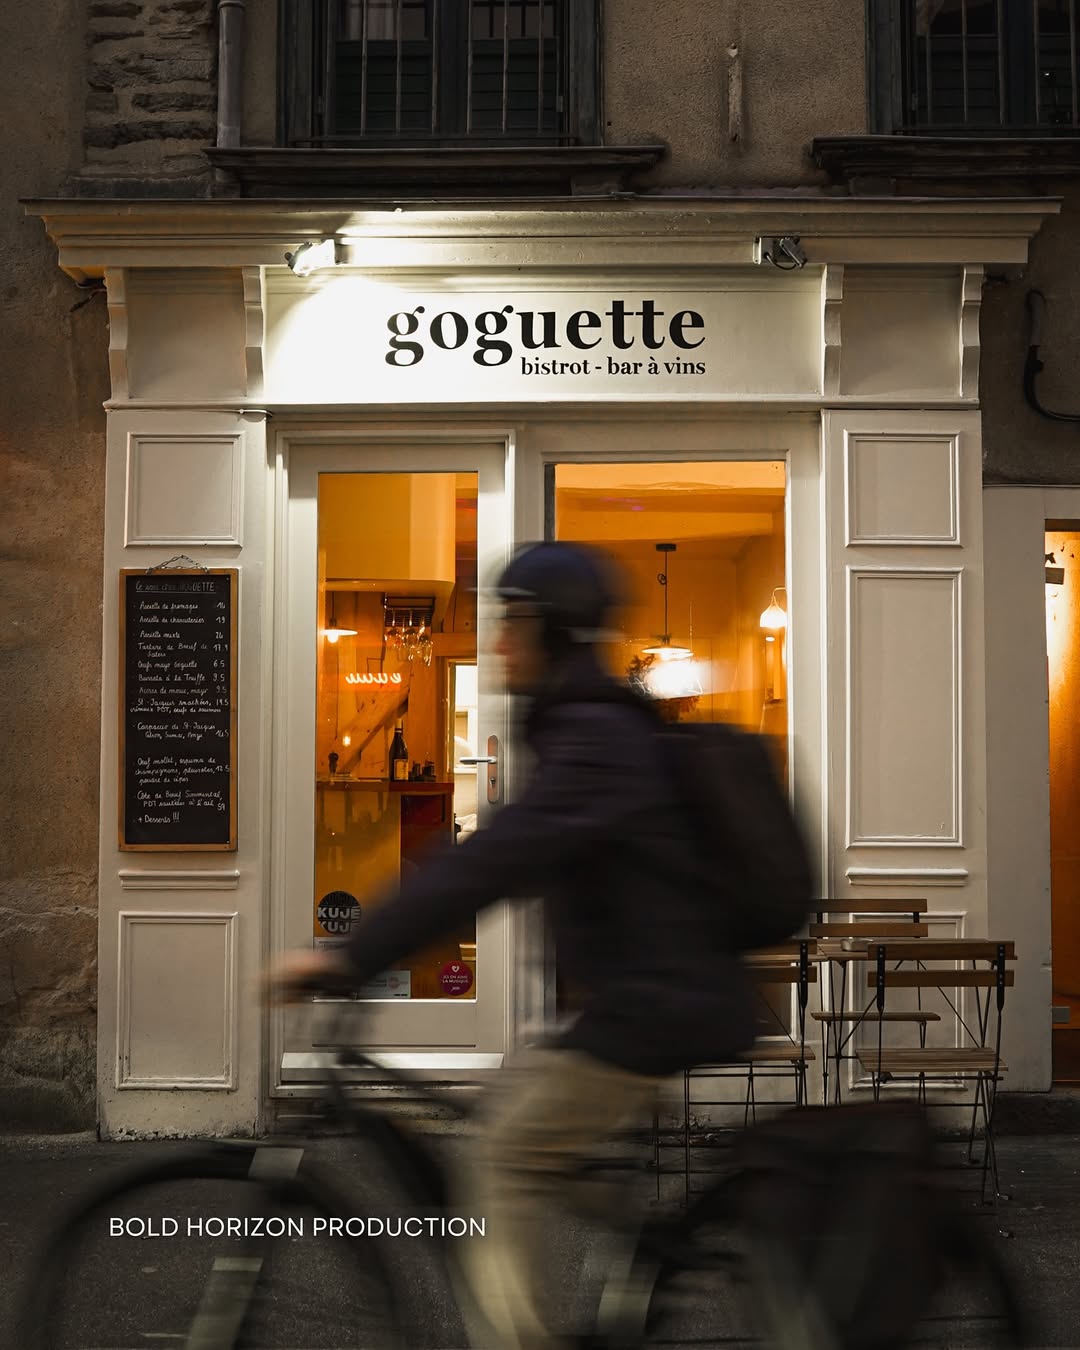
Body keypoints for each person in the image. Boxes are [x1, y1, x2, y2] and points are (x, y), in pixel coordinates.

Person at [264, 540, 755, 1350]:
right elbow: (513, 854)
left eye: (510, 622)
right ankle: (649, 1261)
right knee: (544, 1135)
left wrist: (351, 955)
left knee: (501, 1154)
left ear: (551, 630)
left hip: (654, 1007)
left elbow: (497, 856)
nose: (494, 643)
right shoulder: (587, 727)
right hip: (649, 997)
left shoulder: (594, 736)